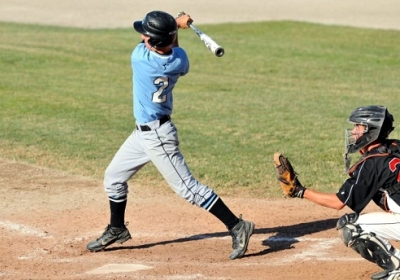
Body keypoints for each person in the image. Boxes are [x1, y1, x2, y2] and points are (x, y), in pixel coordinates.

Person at [86, 10, 255, 260]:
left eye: (146, 34)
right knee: (113, 178)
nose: (142, 35)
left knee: (189, 189)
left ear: (153, 42)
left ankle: (237, 226)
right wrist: (175, 28)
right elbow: (171, 47)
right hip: (141, 135)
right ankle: (117, 228)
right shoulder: (179, 60)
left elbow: (157, 42)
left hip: (158, 138)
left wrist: (175, 25)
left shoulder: (140, 58)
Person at [284, 105, 400, 280]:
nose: (353, 132)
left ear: (371, 130)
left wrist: (300, 191)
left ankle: (397, 268)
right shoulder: (395, 147)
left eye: (358, 127)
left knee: (350, 226)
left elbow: (338, 202)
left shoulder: (372, 163)